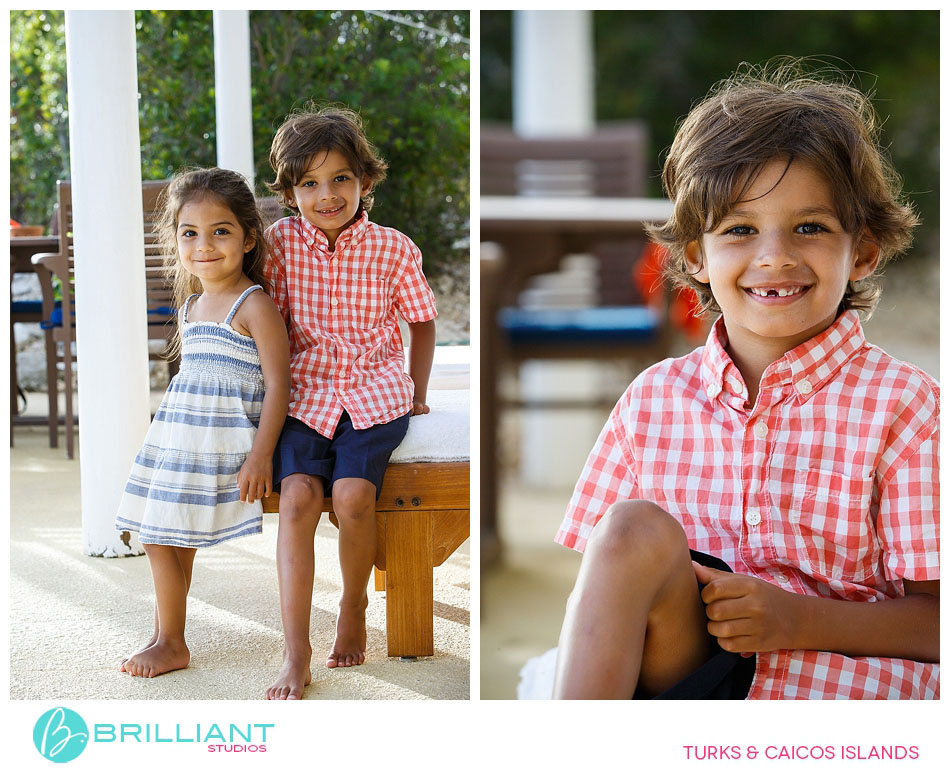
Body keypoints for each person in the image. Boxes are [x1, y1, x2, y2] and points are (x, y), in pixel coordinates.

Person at [553, 62, 939, 700]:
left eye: (810, 228)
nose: (774, 256)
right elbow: (603, 599)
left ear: (863, 251)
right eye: (740, 230)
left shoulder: (903, 407)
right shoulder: (652, 402)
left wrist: (796, 617)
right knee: (628, 529)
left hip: (835, 697)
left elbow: (937, 624)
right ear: (695, 256)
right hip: (685, 683)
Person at [262, 105, 437, 700]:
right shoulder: (279, 245)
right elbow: (269, 320)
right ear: (289, 194)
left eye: (340, 178)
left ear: (365, 179)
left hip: (373, 391)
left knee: (353, 495)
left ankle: (355, 602)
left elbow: (422, 322)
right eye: (309, 183)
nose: (327, 194)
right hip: (305, 393)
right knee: (299, 498)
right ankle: (295, 650)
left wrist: (417, 391)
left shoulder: (393, 249)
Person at [116, 167, 290, 678]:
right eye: (189, 233)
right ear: (176, 241)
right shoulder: (192, 305)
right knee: (164, 529)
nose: (204, 245)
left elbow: (279, 385)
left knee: (158, 531)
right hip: (182, 439)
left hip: (227, 445)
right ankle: (163, 634)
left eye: (220, 231)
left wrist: (260, 455)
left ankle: (172, 640)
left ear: (248, 237)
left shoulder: (253, 304)